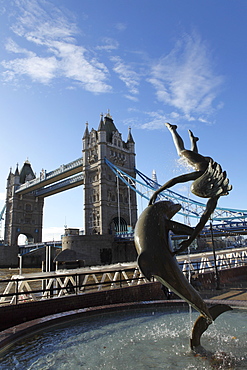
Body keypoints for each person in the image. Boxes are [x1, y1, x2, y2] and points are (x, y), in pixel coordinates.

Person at [149, 123, 232, 254]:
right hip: (203, 163)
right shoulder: (200, 172)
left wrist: (189, 240)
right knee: (181, 152)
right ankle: (173, 130)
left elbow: (203, 220)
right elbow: (176, 180)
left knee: (192, 158)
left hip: (204, 164)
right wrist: (157, 191)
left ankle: (193, 140)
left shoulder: (215, 194)